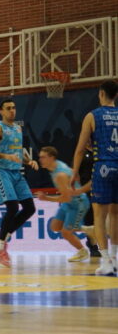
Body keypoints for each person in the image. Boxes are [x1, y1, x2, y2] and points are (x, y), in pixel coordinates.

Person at [0, 99, 39, 267]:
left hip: (16, 171)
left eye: (14, 107)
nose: (12, 111)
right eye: (8, 108)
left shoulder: (18, 128)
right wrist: (4, 157)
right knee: (13, 207)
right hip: (0, 170)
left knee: (30, 208)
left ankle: (1, 238)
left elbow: (17, 151)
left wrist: (28, 161)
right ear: (1, 112)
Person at [71, 80, 118, 276]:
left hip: (103, 167)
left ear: (101, 93)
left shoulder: (92, 116)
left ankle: (105, 261)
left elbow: (81, 148)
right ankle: (115, 260)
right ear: (115, 95)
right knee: (116, 215)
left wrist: (74, 172)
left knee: (100, 216)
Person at [36, 146, 95, 262]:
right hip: (70, 202)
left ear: (51, 158)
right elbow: (74, 173)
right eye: (40, 157)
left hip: (78, 203)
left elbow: (66, 198)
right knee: (55, 226)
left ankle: (83, 251)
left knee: (66, 232)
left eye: (43, 157)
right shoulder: (57, 165)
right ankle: (88, 229)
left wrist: (45, 198)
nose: (40, 160)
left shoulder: (60, 175)